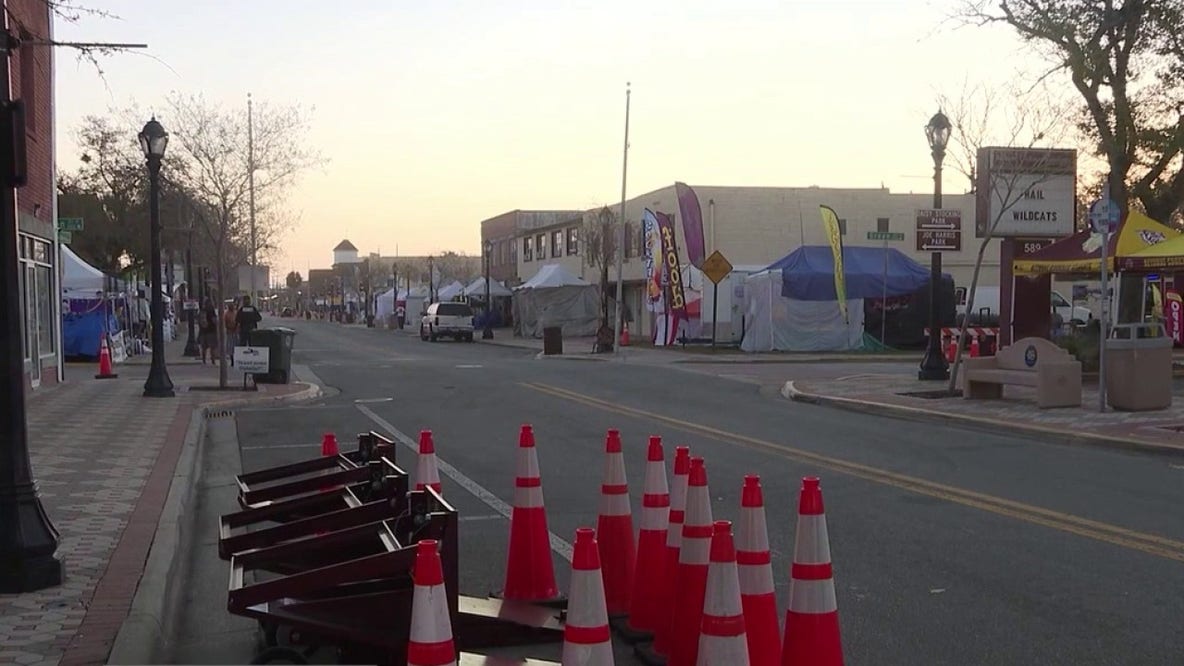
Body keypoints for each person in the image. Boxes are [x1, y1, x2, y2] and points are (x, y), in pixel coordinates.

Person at [199, 298, 218, 364]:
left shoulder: (202, 310)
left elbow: (199, 320)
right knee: (212, 347)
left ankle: (204, 361)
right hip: (211, 331)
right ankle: (213, 360)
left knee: (204, 347)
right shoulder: (211, 311)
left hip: (203, 331)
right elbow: (214, 321)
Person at [224, 300, 240, 366]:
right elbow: (225, 323)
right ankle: (232, 360)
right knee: (231, 347)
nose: (232, 307)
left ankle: (236, 360)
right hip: (230, 332)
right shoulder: (226, 314)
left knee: (236, 346)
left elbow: (238, 322)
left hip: (236, 332)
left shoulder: (236, 313)